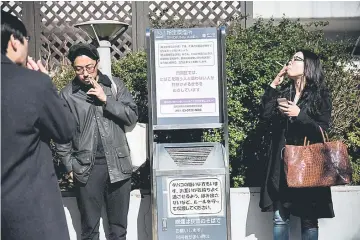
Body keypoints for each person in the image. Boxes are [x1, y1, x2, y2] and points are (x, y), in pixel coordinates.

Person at [1, 11, 76, 240]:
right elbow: (65, 131)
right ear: (14, 41)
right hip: (32, 213)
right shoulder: (34, 84)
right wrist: (47, 86)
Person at [54, 43, 138, 240]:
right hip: (86, 169)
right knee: (89, 230)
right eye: (79, 69)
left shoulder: (114, 85)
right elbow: (61, 134)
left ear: (97, 64)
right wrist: (69, 167)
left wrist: (106, 100)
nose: (84, 73)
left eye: (89, 67)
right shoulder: (68, 95)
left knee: (119, 229)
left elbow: (132, 116)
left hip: (118, 165)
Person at [259, 50, 334, 240]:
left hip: (308, 165)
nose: (290, 62)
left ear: (308, 66)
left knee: (309, 220)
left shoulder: (320, 95)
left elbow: (322, 132)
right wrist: (274, 85)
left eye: (296, 59)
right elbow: (265, 117)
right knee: (279, 218)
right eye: (290, 58)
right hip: (282, 164)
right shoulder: (285, 92)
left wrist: (299, 114)